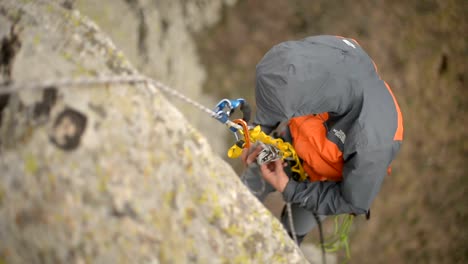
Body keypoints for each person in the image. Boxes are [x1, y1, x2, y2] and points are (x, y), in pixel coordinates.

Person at [241, 35, 404, 244]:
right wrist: (259, 131)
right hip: (293, 142)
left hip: (327, 184)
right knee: (248, 187)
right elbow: (280, 85)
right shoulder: (329, 53)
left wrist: (288, 187)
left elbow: (352, 201)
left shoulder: (373, 144)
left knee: (289, 234)